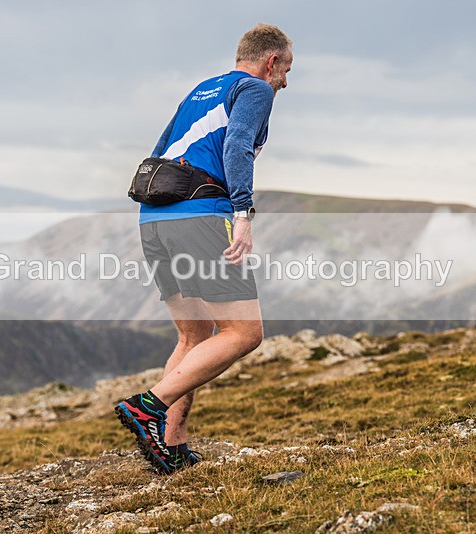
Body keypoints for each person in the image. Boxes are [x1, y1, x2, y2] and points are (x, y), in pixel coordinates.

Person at [115, 23, 293, 474]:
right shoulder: (254, 89)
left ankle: (171, 444)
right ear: (271, 61)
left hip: (154, 219)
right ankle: (147, 407)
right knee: (245, 333)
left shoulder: (202, 90)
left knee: (193, 335)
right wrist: (243, 215)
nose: (285, 82)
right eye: (286, 71)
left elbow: (158, 152)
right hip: (200, 216)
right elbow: (237, 147)